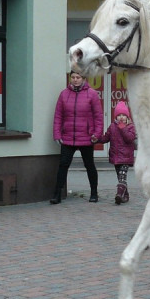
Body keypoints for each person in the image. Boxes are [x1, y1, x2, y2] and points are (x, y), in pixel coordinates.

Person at [51, 69, 103, 204]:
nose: (75, 79)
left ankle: (94, 193)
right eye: (73, 77)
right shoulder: (64, 94)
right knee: (63, 165)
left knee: (89, 165)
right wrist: (57, 134)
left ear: (83, 78)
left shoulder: (92, 94)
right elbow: (58, 116)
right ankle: (57, 194)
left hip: (86, 137)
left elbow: (98, 117)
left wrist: (97, 134)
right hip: (68, 137)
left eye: (78, 77)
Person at [101, 100, 136, 205]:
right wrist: (96, 139)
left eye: (123, 115)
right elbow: (106, 138)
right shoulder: (112, 127)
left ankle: (119, 195)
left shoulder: (130, 127)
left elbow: (130, 138)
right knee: (120, 178)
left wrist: (123, 128)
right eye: (119, 115)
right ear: (115, 117)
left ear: (127, 117)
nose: (121, 117)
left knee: (122, 177)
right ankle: (125, 195)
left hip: (126, 158)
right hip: (116, 157)